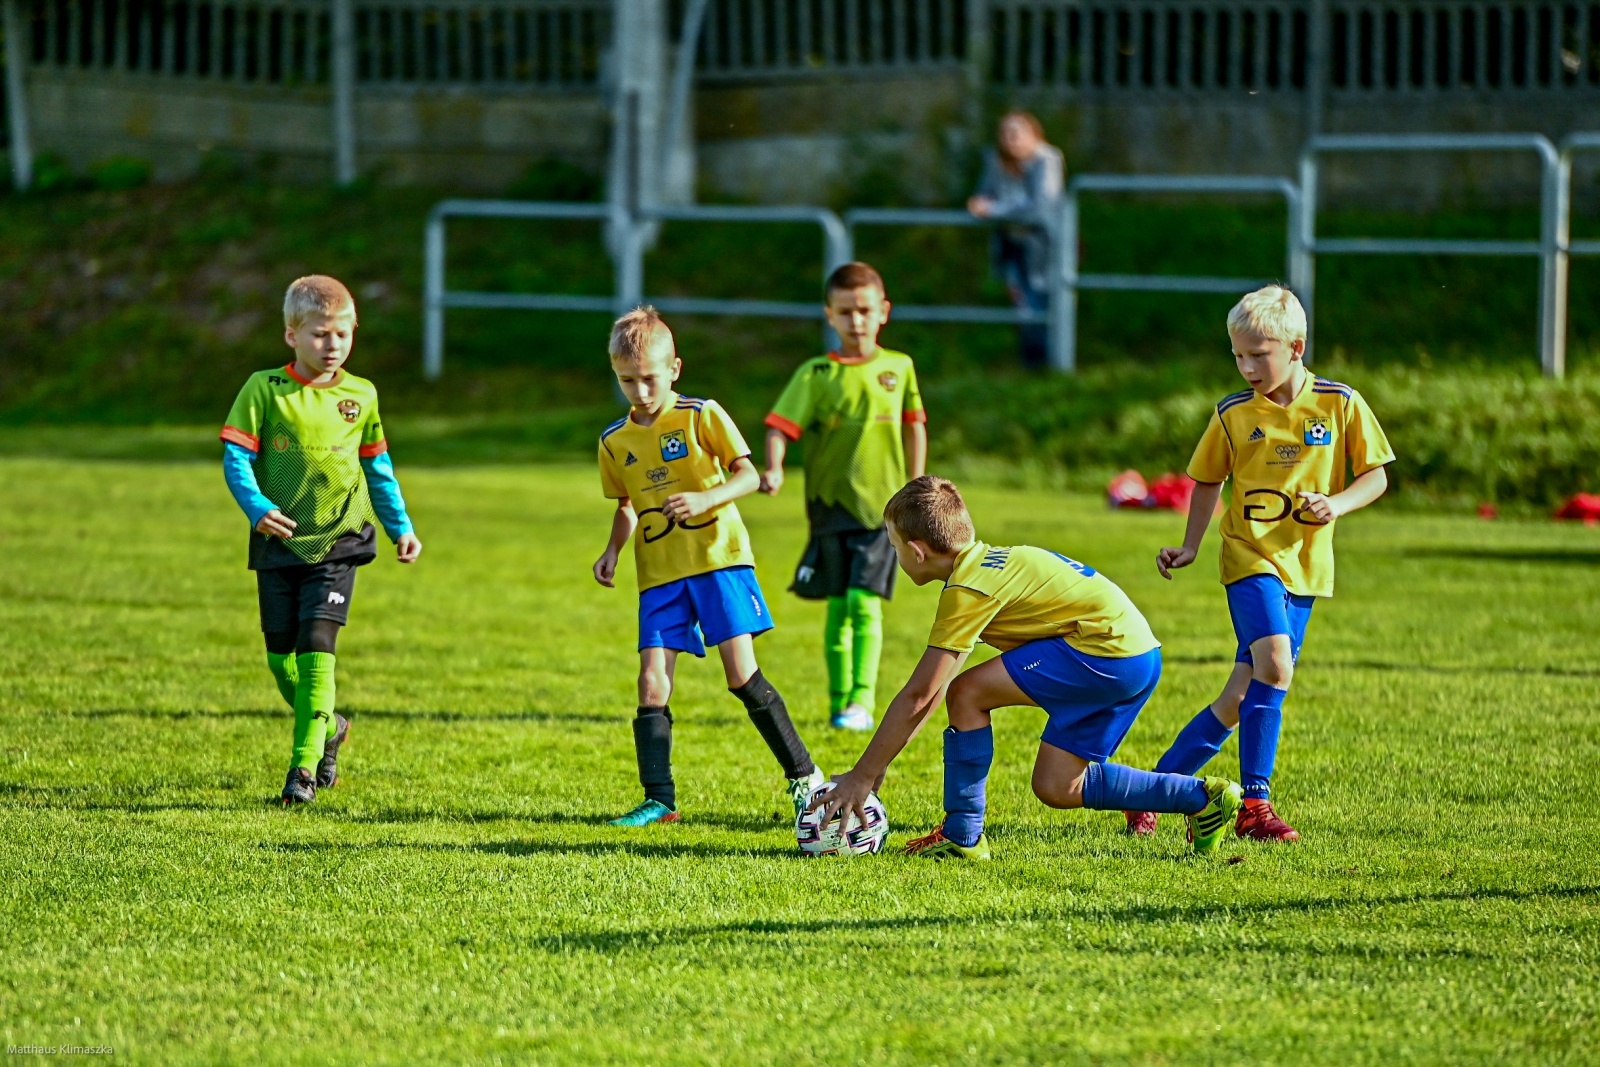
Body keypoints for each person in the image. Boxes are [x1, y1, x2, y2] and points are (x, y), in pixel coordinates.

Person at [813, 476, 1244, 860]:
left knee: (966, 692)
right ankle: (1203, 798)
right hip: (1137, 656)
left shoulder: (968, 587)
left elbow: (923, 693)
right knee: (1058, 786)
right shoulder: (991, 561)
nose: (894, 554)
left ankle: (962, 833)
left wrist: (864, 774)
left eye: (892, 546)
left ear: (917, 552)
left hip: (1104, 654)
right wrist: (879, 762)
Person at [1126, 285, 1394, 842]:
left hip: (1308, 567)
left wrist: (1337, 503)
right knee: (1275, 665)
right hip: (1249, 557)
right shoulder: (1232, 413)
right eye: (1238, 356)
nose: (1247, 367)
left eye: (1259, 355)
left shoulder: (1339, 403)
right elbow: (1206, 480)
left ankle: (1153, 788)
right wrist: (1193, 544)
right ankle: (1254, 806)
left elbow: (1377, 475)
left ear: (1296, 348)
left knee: (1240, 695)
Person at [594, 306, 824, 826]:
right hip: (659, 573)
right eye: (627, 381)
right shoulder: (614, 441)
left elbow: (749, 477)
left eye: (650, 379)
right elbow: (626, 505)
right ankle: (660, 799)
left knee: (741, 676)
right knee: (651, 683)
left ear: (674, 369)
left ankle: (805, 778)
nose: (641, 392)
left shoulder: (701, 414)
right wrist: (612, 550)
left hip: (718, 560)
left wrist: (705, 500)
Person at [219, 275, 422, 806]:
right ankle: (330, 725)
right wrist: (259, 508)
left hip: (340, 537)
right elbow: (237, 459)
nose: (332, 346)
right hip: (279, 540)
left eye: (343, 335)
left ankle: (302, 772)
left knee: (316, 652)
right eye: (320, 335)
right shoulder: (264, 390)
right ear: (291, 335)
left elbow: (378, 467)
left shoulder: (362, 395)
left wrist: (401, 526)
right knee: (279, 661)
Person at [762, 262, 928, 732]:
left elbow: (915, 427)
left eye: (864, 310)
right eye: (845, 312)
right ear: (829, 316)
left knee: (864, 603)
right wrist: (773, 466)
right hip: (829, 509)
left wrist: (916, 486)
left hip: (884, 512)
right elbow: (779, 426)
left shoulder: (900, 368)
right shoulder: (816, 374)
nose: (856, 321)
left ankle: (862, 700)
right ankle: (839, 703)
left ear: (883, 312)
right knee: (838, 605)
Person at [967, 110, 1065, 370]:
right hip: (1011, 245)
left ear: (1034, 135)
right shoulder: (997, 161)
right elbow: (982, 198)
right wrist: (983, 206)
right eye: (1005, 134)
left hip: (1042, 248)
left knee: (1039, 306)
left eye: (1016, 133)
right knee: (1022, 308)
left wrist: (996, 210)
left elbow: (1040, 208)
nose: (1010, 140)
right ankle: (1032, 367)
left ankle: (1049, 368)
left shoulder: (1047, 160)